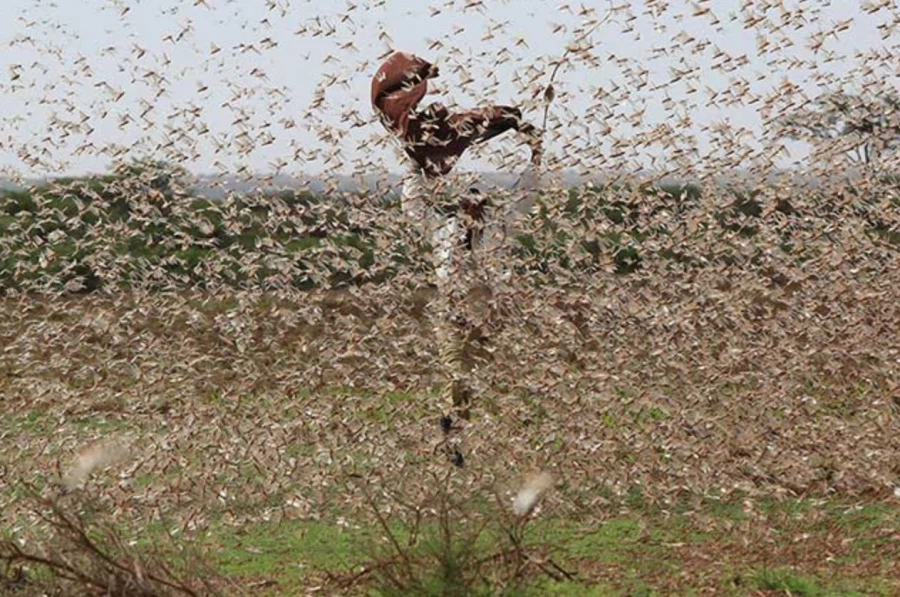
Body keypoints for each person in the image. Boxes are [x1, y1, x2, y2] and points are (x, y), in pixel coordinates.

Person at [371, 50, 543, 435]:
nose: (473, 208)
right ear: (462, 207)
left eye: (477, 203)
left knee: (477, 379)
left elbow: (527, 193)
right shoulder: (443, 230)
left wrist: (535, 153)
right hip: (452, 316)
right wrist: (412, 162)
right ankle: (451, 424)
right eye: (469, 203)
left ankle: (458, 432)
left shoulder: (499, 229)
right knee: (458, 372)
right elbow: (413, 204)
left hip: (488, 316)